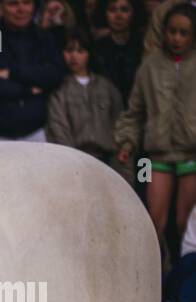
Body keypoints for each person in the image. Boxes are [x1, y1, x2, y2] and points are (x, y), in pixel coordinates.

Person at [116, 3, 196, 251]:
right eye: (172, 31)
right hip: (155, 155)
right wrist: (127, 141)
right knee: (153, 221)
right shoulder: (150, 65)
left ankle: (184, 280)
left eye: (184, 33)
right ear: (164, 31)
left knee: (186, 223)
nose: (176, 38)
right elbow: (135, 111)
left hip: (191, 154)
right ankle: (156, 277)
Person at [0, 0, 65, 141]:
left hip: (37, 132)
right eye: (13, 3)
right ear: (0, 8)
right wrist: (27, 90)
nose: (21, 9)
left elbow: (53, 75)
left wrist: (12, 73)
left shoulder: (43, 38)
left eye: (26, 3)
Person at [48, 29, 125, 168]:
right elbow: (58, 130)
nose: (74, 56)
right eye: (69, 50)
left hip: (106, 160)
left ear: (89, 53)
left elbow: (120, 126)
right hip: (73, 161)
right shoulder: (58, 88)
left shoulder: (106, 87)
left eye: (80, 51)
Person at [93, 0, 144, 100]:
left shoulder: (143, 47)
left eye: (124, 10)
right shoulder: (95, 49)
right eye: (112, 10)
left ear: (134, 13)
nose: (118, 15)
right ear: (104, 13)